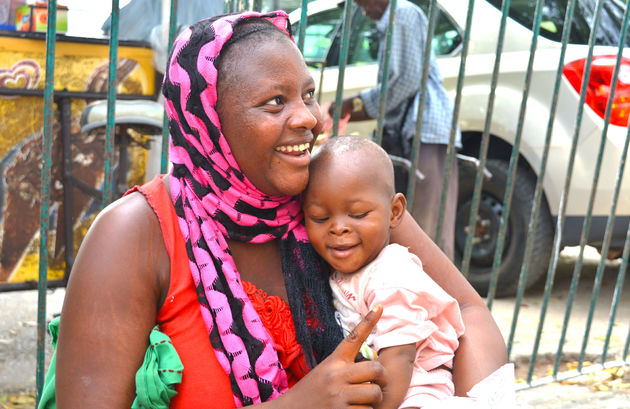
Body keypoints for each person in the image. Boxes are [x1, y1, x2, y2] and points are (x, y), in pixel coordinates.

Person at [54, 10, 506, 408]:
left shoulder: (338, 196)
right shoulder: (137, 232)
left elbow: (467, 310)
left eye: (308, 95)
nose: (310, 118)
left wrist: (482, 403)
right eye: (275, 101)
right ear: (209, 119)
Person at [303, 135, 466, 408]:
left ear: (394, 212)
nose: (338, 228)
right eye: (320, 217)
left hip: (417, 390)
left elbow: (401, 357)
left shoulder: (392, 274)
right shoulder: (344, 271)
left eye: (357, 214)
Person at [329, 0, 460, 260]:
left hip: (425, 128)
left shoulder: (401, 14)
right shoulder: (392, 18)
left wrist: (357, 104)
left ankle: (431, 295)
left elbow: (406, 79)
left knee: (426, 228)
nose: (359, 7)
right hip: (413, 129)